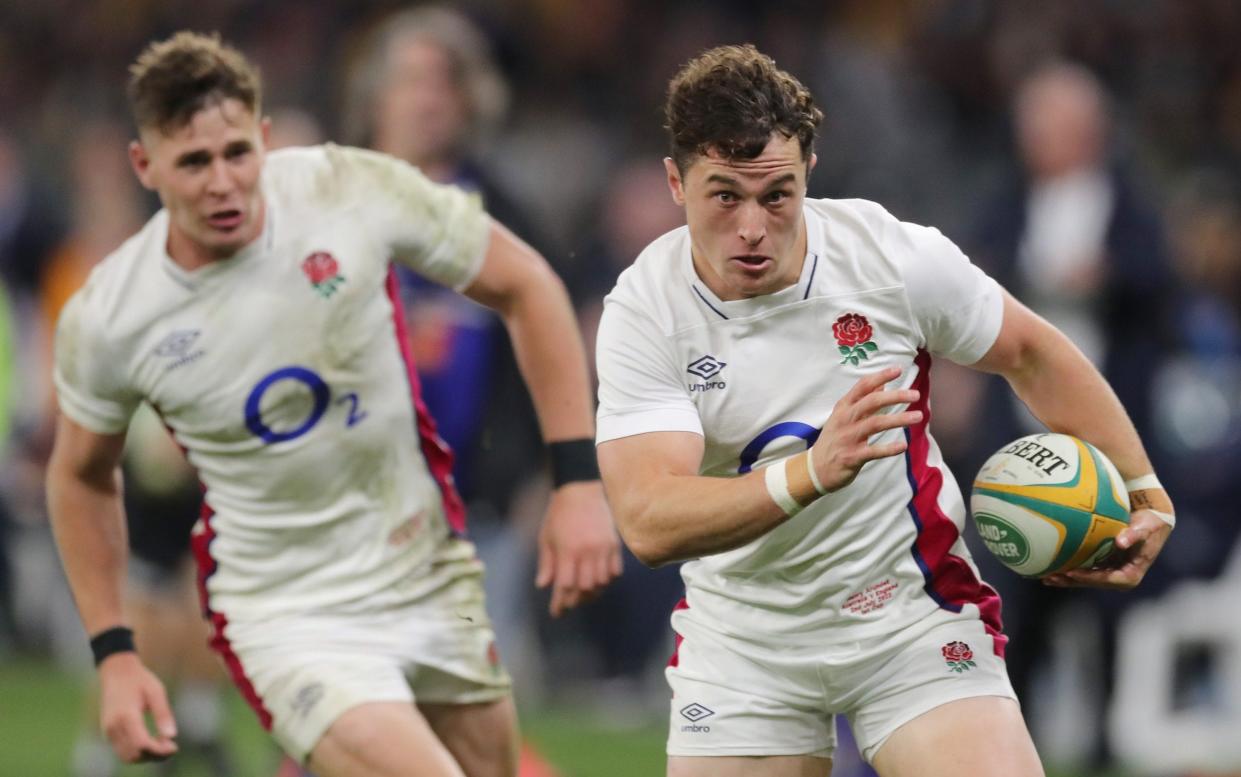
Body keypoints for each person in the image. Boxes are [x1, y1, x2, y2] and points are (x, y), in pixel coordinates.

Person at [46, 31, 620, 777]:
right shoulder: (113, 314)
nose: (222, 182)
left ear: (264, 137)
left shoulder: (345, 188)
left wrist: (575, 481)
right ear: (144, 165)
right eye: (192, 162)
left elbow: (529, 286)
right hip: (288, 614)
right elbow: (79, 474)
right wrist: (115, 653)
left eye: (236, 153)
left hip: (424, 569)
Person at [594, 44, 1175, 777]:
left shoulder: (888, 258)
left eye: (776, 194)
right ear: (675, 183)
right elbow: (648, 518)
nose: (751, 226)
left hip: (909, 615)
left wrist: (1145, 490)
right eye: (724, 195)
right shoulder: (645, 312)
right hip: (745, 642)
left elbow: (1032, 350)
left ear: (807, 173)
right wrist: (811, 470)